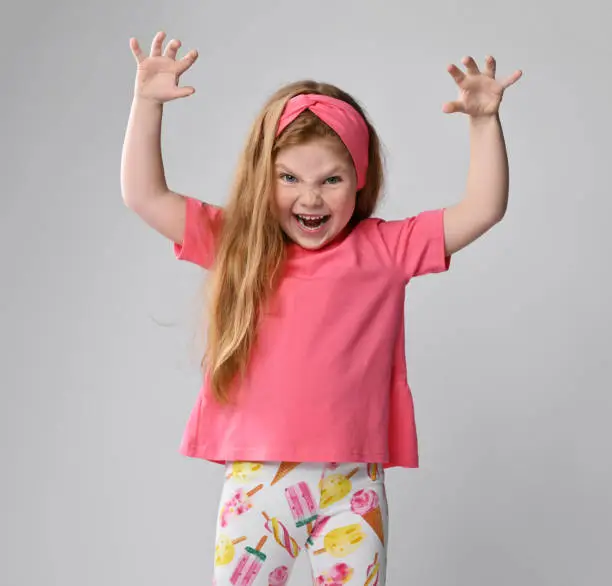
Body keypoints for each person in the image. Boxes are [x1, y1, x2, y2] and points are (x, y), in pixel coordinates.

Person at [121, 30, 522, 586]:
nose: (309, 198)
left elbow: (483, 208)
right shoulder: (239, 243)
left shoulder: (385, 248)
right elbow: (144, 194)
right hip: (257, 486)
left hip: (352, 487)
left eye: (330, 180)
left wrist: (484, 123)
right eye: (289, 178)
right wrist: (146, 105)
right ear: (265, 178)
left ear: (359, 182)